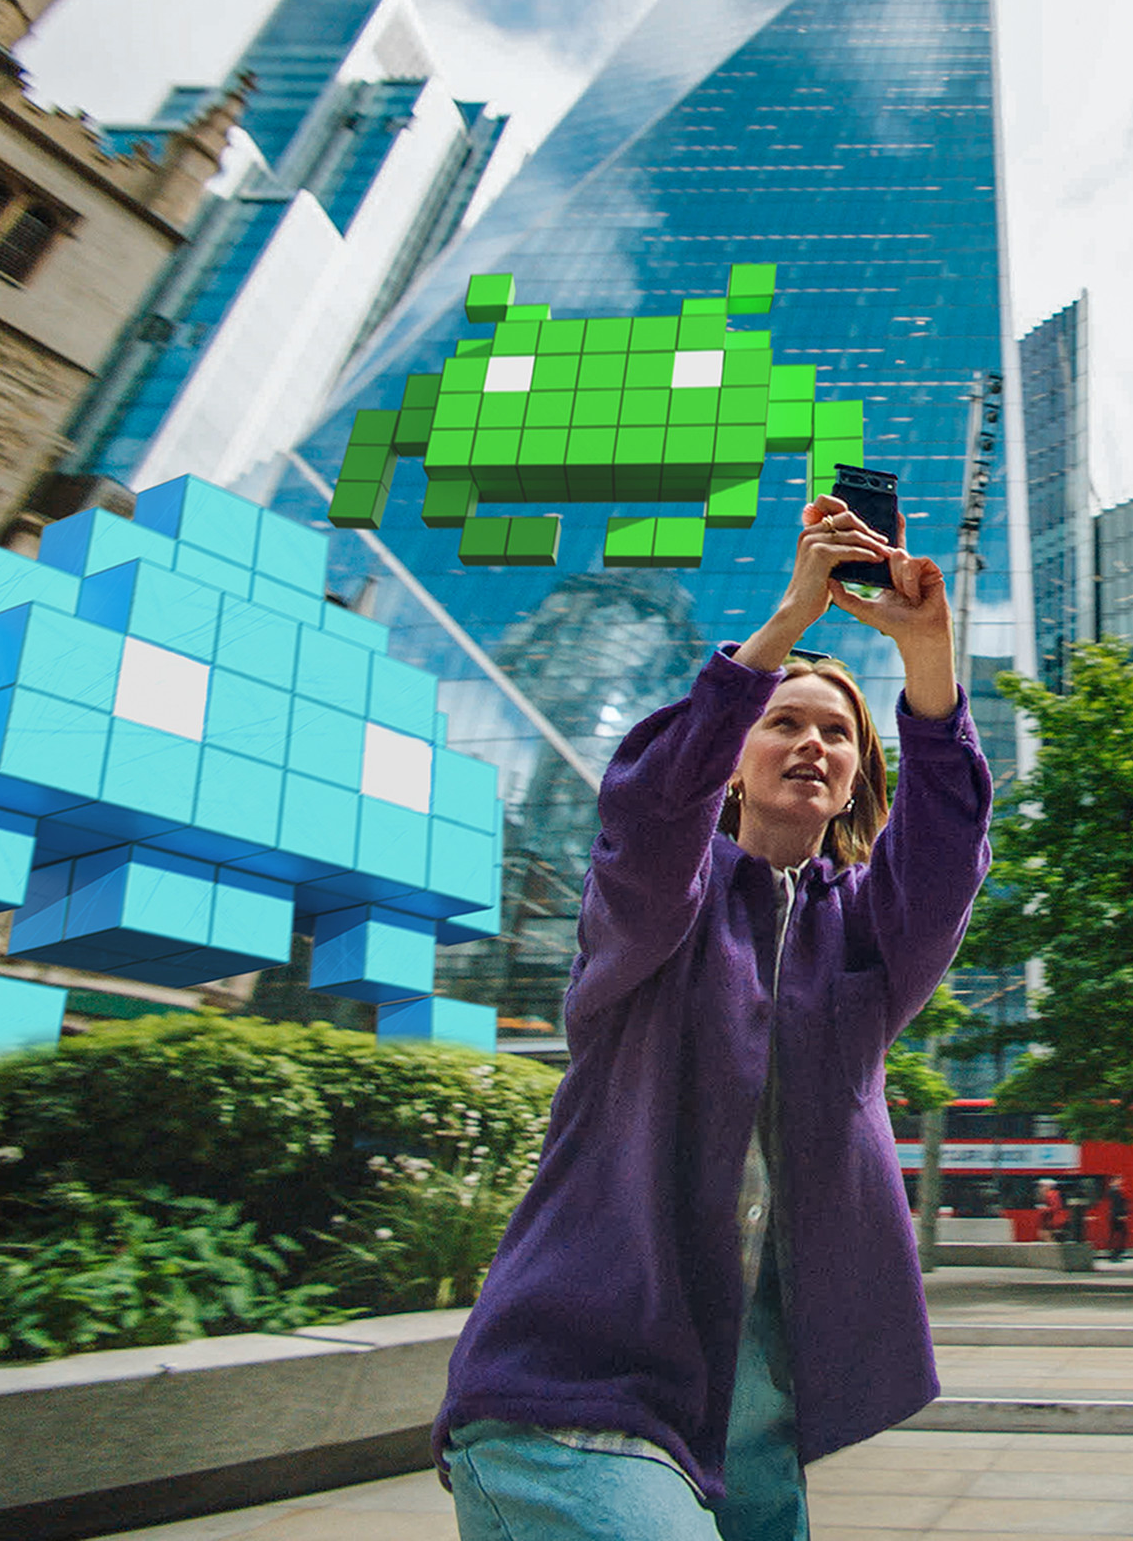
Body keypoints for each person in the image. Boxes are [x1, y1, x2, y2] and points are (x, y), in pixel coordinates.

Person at [433, 495, 992, 1541]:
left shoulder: (861, 941)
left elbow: (945, 859)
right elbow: (648, 809)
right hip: (575, 1398)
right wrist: (785, 626)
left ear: (855, 784)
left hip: (755, 1428)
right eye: (784, 721)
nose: (813, 742)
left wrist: (927, 655)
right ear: (732, 759)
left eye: (838, 734)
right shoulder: (655, 906)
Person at [1104, 1180, 1130, 1261]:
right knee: (1120, 1235)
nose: (1119, 1182)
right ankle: (1116, 1254)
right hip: (1117, 1216)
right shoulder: (1115, 1192)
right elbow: (1117, 1205)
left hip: (1114, 1216)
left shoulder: (1112, 1192)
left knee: (1116, 1235)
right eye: (1117, 1181)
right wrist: (1121, 1215)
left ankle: (1114, 1253)